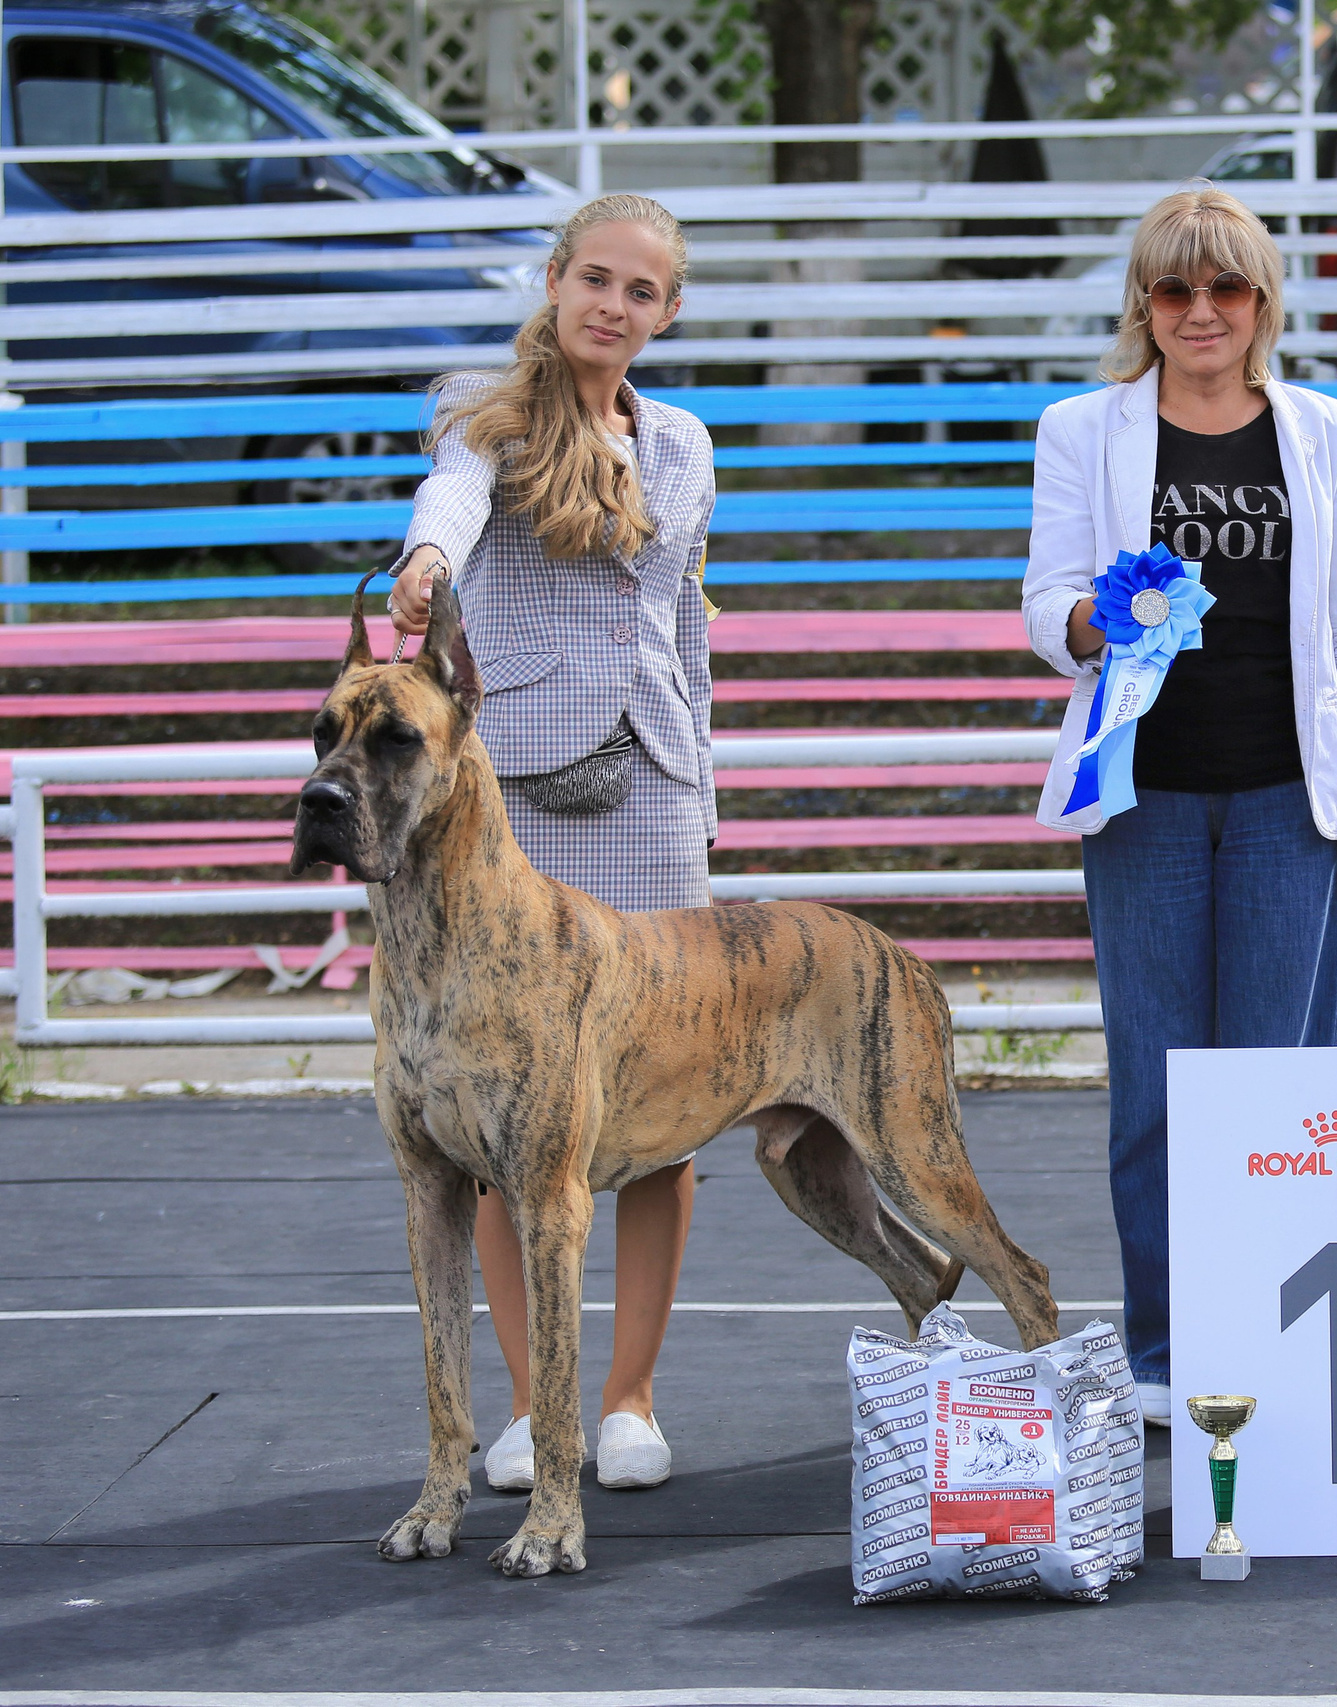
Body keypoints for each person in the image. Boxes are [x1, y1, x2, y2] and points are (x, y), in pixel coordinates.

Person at [1022, 184, 1337, 1425]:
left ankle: (1279, 1336)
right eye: (1176, 289)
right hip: (1141, 796)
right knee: (1155, 1086)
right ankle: (1160, 1353)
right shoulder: (1081, 429)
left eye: (1226, 288)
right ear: (1145, 303)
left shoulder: (1325, 432)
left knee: (1283, 1084)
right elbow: (1043, 607)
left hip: (1288, 795)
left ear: (1261, 303)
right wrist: (1095, 620)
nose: (1202, 312)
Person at [385, 193, 716, 1492]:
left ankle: (628, 1398)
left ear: (667, 311)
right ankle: (536, 1408)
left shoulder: (685, 441)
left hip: (660, 792)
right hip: (517, 794)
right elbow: (454, 495)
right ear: (556, 277)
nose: (612, 305)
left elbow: (684, 617)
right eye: (595, 278)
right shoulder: (490, 404)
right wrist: (422, 557)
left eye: (641, 291)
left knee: (664, 1109)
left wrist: (704, 774)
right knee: (504, 1113)